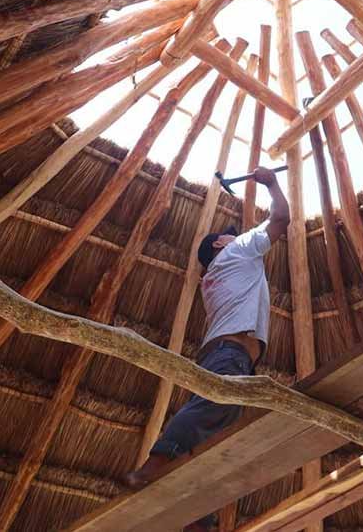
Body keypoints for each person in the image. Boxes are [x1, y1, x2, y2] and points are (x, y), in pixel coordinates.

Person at [124, 166, 289, 527]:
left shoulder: (212, 277)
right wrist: (272, 184)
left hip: (226, 354)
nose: (239, 236)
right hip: (230, 355)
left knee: (215, 436)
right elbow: (280, 219)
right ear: (219, 245)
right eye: (230, 236)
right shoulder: (239, 251)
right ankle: (154, 466)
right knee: (214, 407)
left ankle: (196, 516)